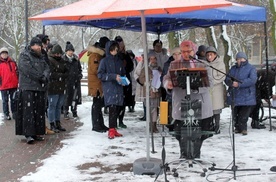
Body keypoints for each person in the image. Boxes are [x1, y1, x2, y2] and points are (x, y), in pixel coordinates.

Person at [163, 40, 213, 159]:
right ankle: (184, 155)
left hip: (199, 103)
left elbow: (210, 82)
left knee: (198, 132)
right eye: (183, 52)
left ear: (194, 50)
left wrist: (197, 88)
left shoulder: (202, 64)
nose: (185, 54)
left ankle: (195, 155)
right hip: (181, 102)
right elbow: (166, 78)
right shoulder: (174, 64)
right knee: (181, 132)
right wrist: (167, 83)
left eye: (188, 51)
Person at [15, 37, 50, 144]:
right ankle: (28, 134)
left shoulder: (42, 57)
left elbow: (47, 68)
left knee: (39, 112)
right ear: (31, 46)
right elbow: (27, 70)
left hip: (39, 88)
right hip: (27, 88)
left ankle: (37, 132)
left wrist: (45, 76)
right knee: (28, 112)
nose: (39, 47)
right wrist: (40, 77)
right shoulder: (24, 56)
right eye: (37, 45)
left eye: (40, 45)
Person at [97, 40, 125, 139]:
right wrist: (113, 76)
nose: (115, 51)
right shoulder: (104, 61)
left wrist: (123, 79)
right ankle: (111, 129)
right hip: (110, 88)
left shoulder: (119, 61)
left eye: (116, 49)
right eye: (113, 50)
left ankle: (113, 128)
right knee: (112, 108)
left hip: (118, 87)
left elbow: (123, 73)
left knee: (117, 108)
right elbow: (100, 75)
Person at [225, 52, 257, 135]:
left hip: (246, 95)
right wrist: (230, 82)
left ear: (245, 59)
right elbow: (227, 78)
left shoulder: (251, 68)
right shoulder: (233, 68)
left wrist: (239, 84)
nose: (239, 60)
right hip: (235, 94)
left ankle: (243, 128)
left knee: (243, 114)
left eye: (241, 58)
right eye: (238, 59)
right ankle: (237, 127)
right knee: (235, 113)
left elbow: (252, 80)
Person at [87, 36, 109, 133]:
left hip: (98, 83)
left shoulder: (98, 55)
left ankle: (100, 124)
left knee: (98, 104)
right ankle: (96, 125)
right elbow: (95, 69)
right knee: (97, 104)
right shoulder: (95, 56)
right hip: (96, 84)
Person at [47, 44, 69, 132]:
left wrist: (60, 75)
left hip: (61, 86)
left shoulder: (62, 61)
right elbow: (52, 74)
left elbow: (67, 72)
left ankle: (57, 122)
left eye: (59, 54)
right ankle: (52, 123)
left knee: (58, 106)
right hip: (53, 87)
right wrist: (62, 75)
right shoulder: (50, 61)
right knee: (53, 106)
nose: (58, 55)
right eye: (56, 54)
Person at [138, 53, 162, 132]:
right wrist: (146, 81)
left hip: (156, 92)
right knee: (149, 109)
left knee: (155, 109)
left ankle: (154, 125)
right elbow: (140, 78)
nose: (153, 61)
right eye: (151, 59)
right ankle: (149, 125)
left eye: (154, 59)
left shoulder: (159, 69)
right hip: (148, 92)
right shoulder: (145, 69)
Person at [205, 46, 226, 134]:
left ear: (215, 55)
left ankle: (217, 126)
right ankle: (210, 126)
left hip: (216, 89)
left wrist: (212, 81)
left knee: (216, 109)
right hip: (207, 89)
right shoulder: (205, 64)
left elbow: (222, 76)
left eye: (211, 55)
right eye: (208, 55)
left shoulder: (220, 64)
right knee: (209, 109)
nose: (209, 57)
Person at [114, 36, 134, 128]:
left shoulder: (125, 55)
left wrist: (125, 68)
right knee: (116, 102)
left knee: (123, 102)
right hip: (116, 79)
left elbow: (131, 66)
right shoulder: (113, 55)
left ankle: (120, 120)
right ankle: (115, 120)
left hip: (125, 79)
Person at [62, 41, 82, 119]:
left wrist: (79, 75)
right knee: (66, 97)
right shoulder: (63, 59)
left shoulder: (76, 59)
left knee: (74, 97)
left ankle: (74, 111)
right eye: (69, 50)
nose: (70, 52)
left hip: (75, 81)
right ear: (66, 51)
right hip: (67, 81)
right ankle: (66, 112)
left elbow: (79, 69)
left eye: (71, 50)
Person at [0, 47, 18, 120]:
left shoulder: (12, 62)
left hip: (13, 84)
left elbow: (17, 72)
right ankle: (6, 113)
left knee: (14, 100)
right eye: (3, 53)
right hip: (3, 85)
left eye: (5, 53)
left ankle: (14, 113)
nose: (4, 55)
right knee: (5, 101)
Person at [134, 54, 147, 121]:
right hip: (140, 84)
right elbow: (135, 73)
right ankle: (145, 115)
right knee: (143, 100)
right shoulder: (140, 63)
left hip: (147, 85)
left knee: (147, 100)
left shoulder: (149, 64)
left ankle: (148, 115)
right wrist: (138, 80)